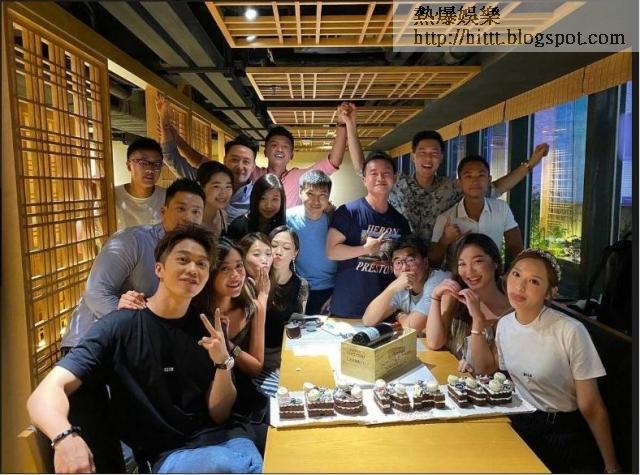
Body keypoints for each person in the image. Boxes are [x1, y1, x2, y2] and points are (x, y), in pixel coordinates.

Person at [27, 226, 263, 473]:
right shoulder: (119, 327)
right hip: (169, 456)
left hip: (228, 441)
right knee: (229, 465)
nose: (193, 269)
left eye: (202, 264)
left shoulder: (207, 326)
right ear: (159, 269)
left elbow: (220, 414)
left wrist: (223, 364)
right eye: (183, 260)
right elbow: (44, 394)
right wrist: (65, 437)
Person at [467, 249, 620, 474]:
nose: (520, 287)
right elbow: (486, 368)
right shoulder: (505, 324)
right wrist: (477, 321)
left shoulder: (570, 331)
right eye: (516, 274)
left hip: (562, 431)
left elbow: (591, 406)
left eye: (534, 281)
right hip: (521, 419)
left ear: (550, 293)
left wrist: (611, 465)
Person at [61, 178, 206, 349]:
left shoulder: (192, 255)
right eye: (181, 209)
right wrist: (136, 326)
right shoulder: (132, 241)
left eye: (196, 212)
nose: (188, 217)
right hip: (89, 341)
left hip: (131, 346)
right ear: (163, 211)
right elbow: (96, 292)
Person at [387, 130, 549, 242]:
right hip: (403, 262)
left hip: (437, 265)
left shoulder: (450, 187)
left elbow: (496, 188)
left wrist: (531, 164)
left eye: (434, 153)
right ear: (413, 156)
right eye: (422, 153)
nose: (428, 159)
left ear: (441, 158)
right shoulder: (396, 183)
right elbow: (368, 173)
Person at [327, 151, 411, 318]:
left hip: (384, 310)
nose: (380, 178)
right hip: (348, 308)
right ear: (364, 180)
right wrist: (365, 249)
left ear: (394, 178)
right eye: (373, 173)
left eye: (386, 173)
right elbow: (331, 251)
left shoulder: (400, 221)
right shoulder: (348, 212)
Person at [156, 93, 259, 221]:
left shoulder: (258, 195)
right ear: (225, 160)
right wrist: (165, 124)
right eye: (234, 159)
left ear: (253, 166)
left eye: (246, 162)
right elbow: (170, 157)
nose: (240, 166)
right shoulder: (205, 180)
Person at [425, 233, 511, 373]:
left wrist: (478, 318)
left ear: (495, 262)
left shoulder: (509, 312)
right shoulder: (454, 297)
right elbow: (434, 342)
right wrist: (435, 298)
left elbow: (486, 370)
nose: (469, 271)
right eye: (462, 264)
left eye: (477, 261)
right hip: (448, 378)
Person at [429, 154, 524, 268]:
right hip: (459, 277)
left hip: (493, 275)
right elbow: (433, 262)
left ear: (489, 180)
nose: (475, 181)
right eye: (468, 176)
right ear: (460, 183)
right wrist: (444, 241)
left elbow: (515, 247)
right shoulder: (445, 219)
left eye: (481, 175)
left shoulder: (501, 208)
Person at [363, 235, 449, 331]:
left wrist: (400, 316)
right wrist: (392, 288)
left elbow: (411, 327)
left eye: (410, 260)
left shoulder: (439, 280)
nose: (404, 268)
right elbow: (368, 320)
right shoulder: (400, 286)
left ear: (425, 263)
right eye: (398, 262)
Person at [286, 170, 337, 314]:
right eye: (310, 194)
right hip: (299, 288)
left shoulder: (335, 219)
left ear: (329, 197)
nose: (316, 201)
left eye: (322, 195)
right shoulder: (288, 218)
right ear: (300, 192)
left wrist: (339, 291)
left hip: (332, 289)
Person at [114, 137, 166, 230]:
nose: (150, 169)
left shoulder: (167, 197)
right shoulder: (113, 196)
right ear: (129, 165)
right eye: (143, 163)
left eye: (156, 164)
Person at [227, 174, 286, 241]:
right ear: (255, 198)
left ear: (282, 201)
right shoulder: (239, 226)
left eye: (274, 199)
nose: (268, 205)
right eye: (263, 198)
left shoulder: (284, 228)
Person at [195, 161, 234, 239]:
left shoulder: (223, 215)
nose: (223, 193)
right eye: (216, 186)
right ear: (201, 187)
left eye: (228, 187)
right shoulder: (192, 221)